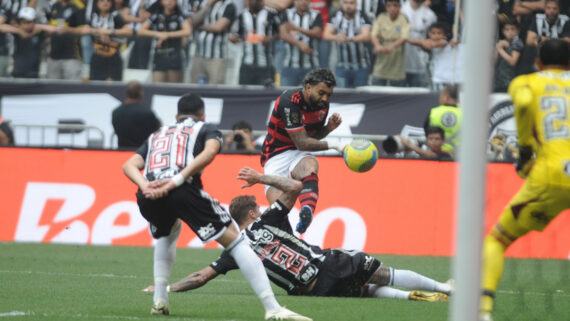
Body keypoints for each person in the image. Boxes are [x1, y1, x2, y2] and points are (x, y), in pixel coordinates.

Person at [122, 93, 311, 320]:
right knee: (237, 241)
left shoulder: (157, 134)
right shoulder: (205, 127)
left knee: (168, 232)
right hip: (182, 189)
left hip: (148, 196)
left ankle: (159, 300)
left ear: (176, 115)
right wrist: (176, 180)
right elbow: (210, 151)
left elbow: (129, 164)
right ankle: (273, 309)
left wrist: (146, 186)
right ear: (202, 114)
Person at [142, 166, 454, 302]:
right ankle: (444, 287)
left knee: (366, 292)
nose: (262, 209)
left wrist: (164, 289)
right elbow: (295, 187)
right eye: (257, 207)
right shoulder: (271, 220)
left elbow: (199, 277)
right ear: (252, 213)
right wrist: (259, 177)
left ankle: (415, 298)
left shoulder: (235, 250)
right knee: (383, 275)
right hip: (328, 265)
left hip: (312, 290)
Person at [480, 39, 570, 321]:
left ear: (538, 62)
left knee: (496, 241)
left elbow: (524, 103)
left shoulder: (526, 82)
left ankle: (481, 312)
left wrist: (526, 150)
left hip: (550, 176)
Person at [261, 68, 345, 234]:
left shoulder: (322, 106)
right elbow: (301, 142)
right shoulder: (289, 101)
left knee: (310, 164)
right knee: (279, 215)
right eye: (321, 93)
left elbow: (312, 137)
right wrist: (335, 145)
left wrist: (327, 128)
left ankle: (307, 210)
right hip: (275, 156)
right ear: (308, 87)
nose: (325, 98)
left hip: (297, 153)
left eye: (329, 95)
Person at [228, 0, 281, 86]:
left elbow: (281, 34)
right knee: (244, 94)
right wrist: (234, 38)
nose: (255, 2)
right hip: (247, 64)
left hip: (266, 64)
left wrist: (270, 38)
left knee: (266, 95)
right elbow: (236, 33)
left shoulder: (271, 14)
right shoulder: (242, 15)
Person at [138, 0, 191, 83]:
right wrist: (158, 34)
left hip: (174, 55)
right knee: (157, 86)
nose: (169, 2)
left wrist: (168, 35)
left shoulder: (179, 15)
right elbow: (141, 31)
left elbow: (187, 31)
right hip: (159, 55)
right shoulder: (156, 15)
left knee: (173, 88)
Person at [323, 0, 372, 88]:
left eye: (351, 3)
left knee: (361, 97)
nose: (348, 6)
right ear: (342, 4)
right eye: (346, 3)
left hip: (361, 66)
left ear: (356, 4)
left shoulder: (362, 16)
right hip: (342, 66)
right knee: (342, 97)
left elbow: (367, 36)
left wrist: (349, 39)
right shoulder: (336, 15)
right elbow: (326, 35)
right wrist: (337, 37)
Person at [80, 0, 133, 81]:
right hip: (97, 56)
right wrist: (98, 31)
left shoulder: (115, 16)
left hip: (113, 56)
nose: (105, 3)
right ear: (96, 3)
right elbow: (84, 30)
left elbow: (129, 31)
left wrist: (110, 32)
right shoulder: (93, 16)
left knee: (112, 86)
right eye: (102, 1)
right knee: (95, 85)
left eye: (108, 1)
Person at [189, 0, 236, 84]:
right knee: (196, 86)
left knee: (215, 87)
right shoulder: (204, 3)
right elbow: (193, 21)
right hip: (199, 53)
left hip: (217, 56)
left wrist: (200, 27)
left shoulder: (229, 6)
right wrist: (207, 5)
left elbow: (219, 27)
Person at [279, 0, 324, 86]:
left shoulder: (316, 14)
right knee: (288, 96)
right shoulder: (287, 14)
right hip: (290, 65)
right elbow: (283, 35)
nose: (303, 2)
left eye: (306, 0)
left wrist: (296, 28)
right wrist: (299, 44)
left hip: (311, 65)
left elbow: (317, 33)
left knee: (311, 97)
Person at [370, 0, 409, 87]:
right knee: (377, 87)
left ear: (399, 7)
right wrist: (377, 45)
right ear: (386, 7)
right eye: (389, 5)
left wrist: (391, 47)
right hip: (381, 56)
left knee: (398, 91)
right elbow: (373, 35)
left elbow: (404, 37)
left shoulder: (404, 18)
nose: (392, 8)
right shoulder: (381, 17)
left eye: (395, 5)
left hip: (397, 55)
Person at [112, 80, 160, 148]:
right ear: (140, 93)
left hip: (122, 151)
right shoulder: (147, 113)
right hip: (142, 153)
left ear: (126, 93)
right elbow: (156, 131)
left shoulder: (116, 112)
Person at [400, 0, 437, 88]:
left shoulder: (430, 15)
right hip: (399, 66)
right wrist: (419, 42)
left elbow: (434, 39)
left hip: (420, 66)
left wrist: (430, 43)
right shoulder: (400, 10)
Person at [422, 84, 461, 154]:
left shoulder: (433, 112)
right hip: (459, 157)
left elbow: (427, 134)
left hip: (436, 156)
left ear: (446, 97)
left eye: (441, 95)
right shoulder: (465, 115)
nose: (439, 98)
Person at [494, 18, 524, 93]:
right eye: (507, 29)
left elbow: (513, 61)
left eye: (512, 29)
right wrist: (497, 49)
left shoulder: (517, 42)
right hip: (498, 81)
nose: (509, 32)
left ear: (517, 31)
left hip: (511, 81)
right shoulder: (502, 42)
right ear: (503, 31)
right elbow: (494, 62)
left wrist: (500, 49)